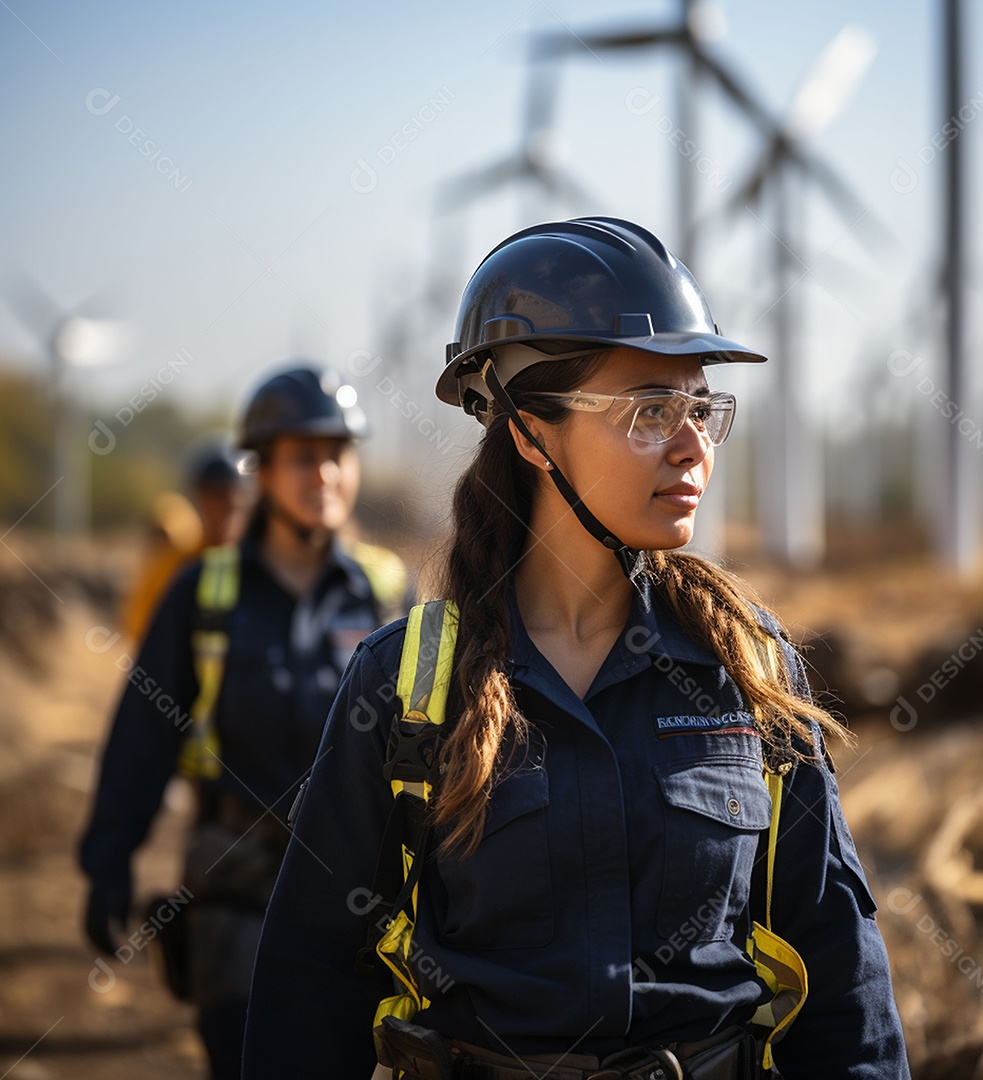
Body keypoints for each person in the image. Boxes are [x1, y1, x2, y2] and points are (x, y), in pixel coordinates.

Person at [242, 220, 910, 1079]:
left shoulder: (749, 670)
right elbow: (312, 976)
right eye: (650, 412)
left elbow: (840, 969)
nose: (694, 446)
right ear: (529, 434)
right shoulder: (408, 686)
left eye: (702, 407)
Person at [79, 364, 410, 1079]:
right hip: (236, 889)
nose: (323, 474)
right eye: (301, 457)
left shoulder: (388, 595)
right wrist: (107, 860)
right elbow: (142, 736)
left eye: (337, 455)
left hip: (359, 901)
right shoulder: (205, 595)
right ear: (259, 470)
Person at [121, 443, 252, 643]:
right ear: (198, 498)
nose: (225, 506)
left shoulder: (262, 565)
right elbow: (140, 623)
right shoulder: (175, 567)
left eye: (231, 495)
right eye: (215, 495)